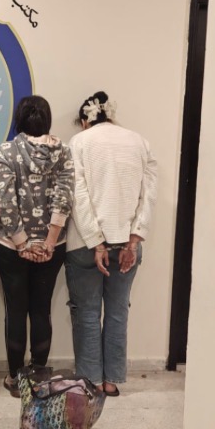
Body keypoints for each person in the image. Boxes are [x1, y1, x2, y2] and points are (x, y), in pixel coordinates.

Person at [64, 91, 157, 397]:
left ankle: (91, 381)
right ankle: (112, 381)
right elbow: (148, 195)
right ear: (111, 115)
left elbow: (78, 195)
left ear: (84, 121)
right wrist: (134, 239)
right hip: (127, 242)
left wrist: (97, 242)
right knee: (118, 310)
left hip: (84, 244)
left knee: (87, 312)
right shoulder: (139, 142)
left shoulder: (79, 142)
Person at [0, 95, 74, 396]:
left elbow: (5, 202)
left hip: (11, 247)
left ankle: (16, 379)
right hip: (53, 247)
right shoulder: (63, 151)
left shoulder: (7, 151)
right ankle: (39, 375)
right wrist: (49, 243)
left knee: (15, 311)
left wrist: (22, 243)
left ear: (19, 119)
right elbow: (64, 197)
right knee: (41, 310)